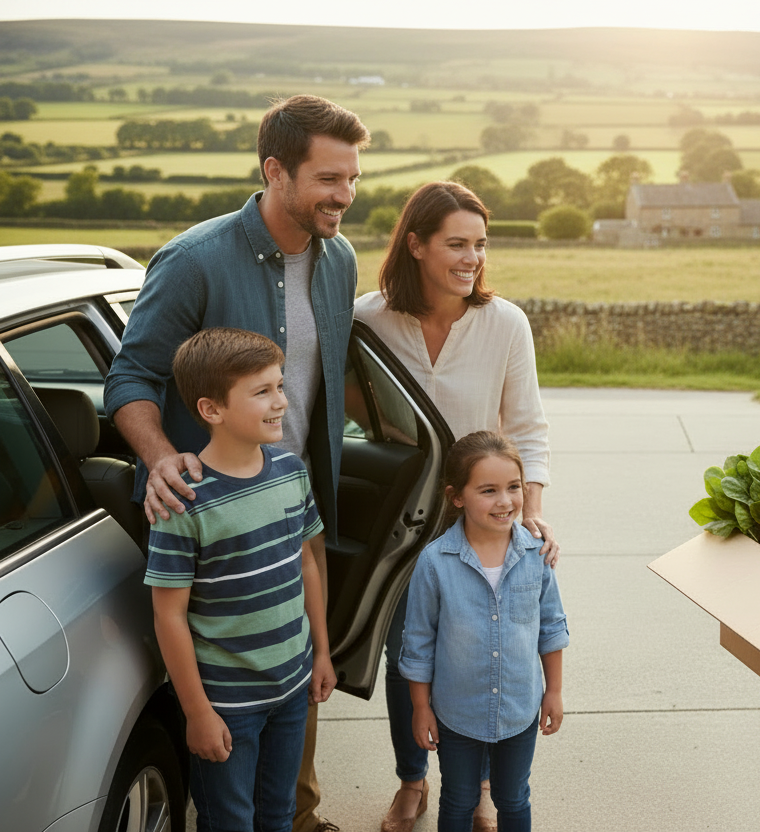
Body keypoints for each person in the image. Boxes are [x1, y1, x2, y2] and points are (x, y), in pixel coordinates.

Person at [104, 94, 370, 832]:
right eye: (328, 179)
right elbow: (129, 378)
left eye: (352, 179)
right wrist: (160, 459)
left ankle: (294, 815)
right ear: (275, 170)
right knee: (226, 712)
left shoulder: (340, 258)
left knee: (295, 681)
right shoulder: (194, 261)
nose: (345, 197)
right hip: (213, 521)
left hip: (296, 501)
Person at [355, 181, 556, 832]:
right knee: (406, 652)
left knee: (491, 648)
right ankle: (414, 782)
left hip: (484, 515)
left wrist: (529, 513)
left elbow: (527, 427)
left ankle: (487, 788)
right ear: (414, 244)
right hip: (405, 519)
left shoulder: (506, 324)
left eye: (480, 245)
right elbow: (348, 409)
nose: (472, 258)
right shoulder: (367, 320)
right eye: (456, 244)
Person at [145, 328, 335, 832]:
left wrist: (321, 652)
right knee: (230, 820)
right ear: (212, 410)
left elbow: (308, 564)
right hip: (227, 704)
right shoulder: (182, 502)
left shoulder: (291, 471)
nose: (281, 402)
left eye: (280, 385)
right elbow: (169, 614)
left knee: (278, 815)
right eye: (262, 392)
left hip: (292, 689)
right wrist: (197, 712)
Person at [399, 431, 568, 832]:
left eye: (513, 487)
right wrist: (420, 707)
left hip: (519, 711)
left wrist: (554, 691)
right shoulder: (435, 563)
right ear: (457, 496)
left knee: (513, 797)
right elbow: (418, 643)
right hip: (458, 713)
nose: (505, 501)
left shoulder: (536, 555)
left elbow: (552, 627)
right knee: (458, 799)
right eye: (488, 490)